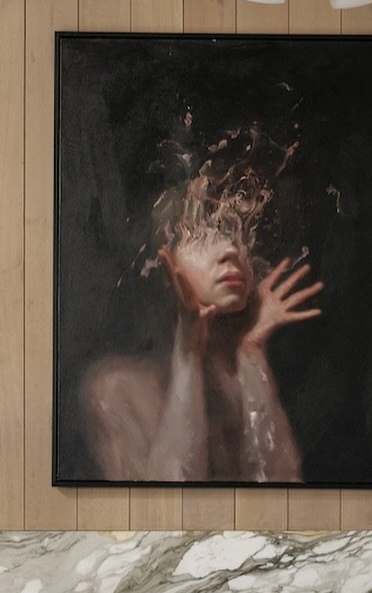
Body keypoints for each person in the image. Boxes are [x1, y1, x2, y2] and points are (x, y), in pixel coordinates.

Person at [79, 143, 323, 483]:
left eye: (239, 235)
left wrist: (252, 352)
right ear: (161, 263)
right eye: (201, 234)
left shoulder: (243, 373)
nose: (230, 251)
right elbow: (164, 509)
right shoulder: (113, 388)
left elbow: (282, 495)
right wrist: (187, 353)